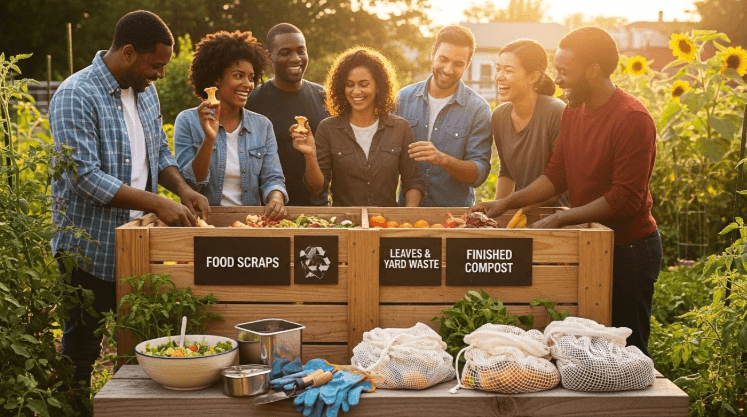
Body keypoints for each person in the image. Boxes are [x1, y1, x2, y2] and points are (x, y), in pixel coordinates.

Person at [472, 27, 661, 356]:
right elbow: (556, 176)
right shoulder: (575, 111)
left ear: (593, 71)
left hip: (630, 251)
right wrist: (505, 202)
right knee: (589, 348)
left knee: (627, 349)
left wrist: (561, 220)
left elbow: (625, 199)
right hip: (591, 244)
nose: (557, 79)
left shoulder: (632, 118)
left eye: (564, 71)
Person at [49, 10, 210, 388]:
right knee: (83, 349)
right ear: (127, 53)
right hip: (90, 249)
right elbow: (84, 179)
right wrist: (156, 202)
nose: (161, 75)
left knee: (142, 344)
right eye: (156, 65)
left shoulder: (145, 93)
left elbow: (160, 151)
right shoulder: (76, 95)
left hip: (140, 243)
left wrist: (184, 191)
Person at [174, 30, 288, 217]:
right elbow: (191, 185)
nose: (248, 84)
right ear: (217, 78)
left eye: (251, 78)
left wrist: (276, 197)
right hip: (205, 224)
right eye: (238, 76)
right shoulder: (188, 121)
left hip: (250, 225)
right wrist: (209, 139)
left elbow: (272, 178)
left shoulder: (262, 125)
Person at [291, 47, 424, 207]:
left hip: (386, 225)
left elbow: (412, 182)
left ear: (378, 86)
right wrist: (310, 155)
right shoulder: (328, 128)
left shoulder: (400, 128)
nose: (356, 91)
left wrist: (408, 219)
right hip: (345, 225)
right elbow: (317, 188)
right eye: (349, 85)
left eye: (364, 84)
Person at [396, 25, 492, 207]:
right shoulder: (403, 98)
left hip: (454, 218)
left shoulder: (478, 108)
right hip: (406, 214)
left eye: (458, 64)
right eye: (443, 59)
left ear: (468, 65)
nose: (448, 70)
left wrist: (443, 159)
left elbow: (479, 174)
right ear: (433, 54)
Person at [246, 23, 330, 206]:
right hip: (270, 210)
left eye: (301, 51)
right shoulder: (253, 101)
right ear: (270, 56)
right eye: (285, 53)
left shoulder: (325, 98)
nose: (296, 58)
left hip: (319, 209)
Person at [491, 39, 569, 208]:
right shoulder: (499, 117)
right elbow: (506, 173)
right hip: (520, 215)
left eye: (508, 70)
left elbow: (562, 179)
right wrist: (494, 213)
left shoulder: (556, 113)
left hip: (557, 217)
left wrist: (507, 205)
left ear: (533, 76)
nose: (499, 77)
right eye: (498, 69)